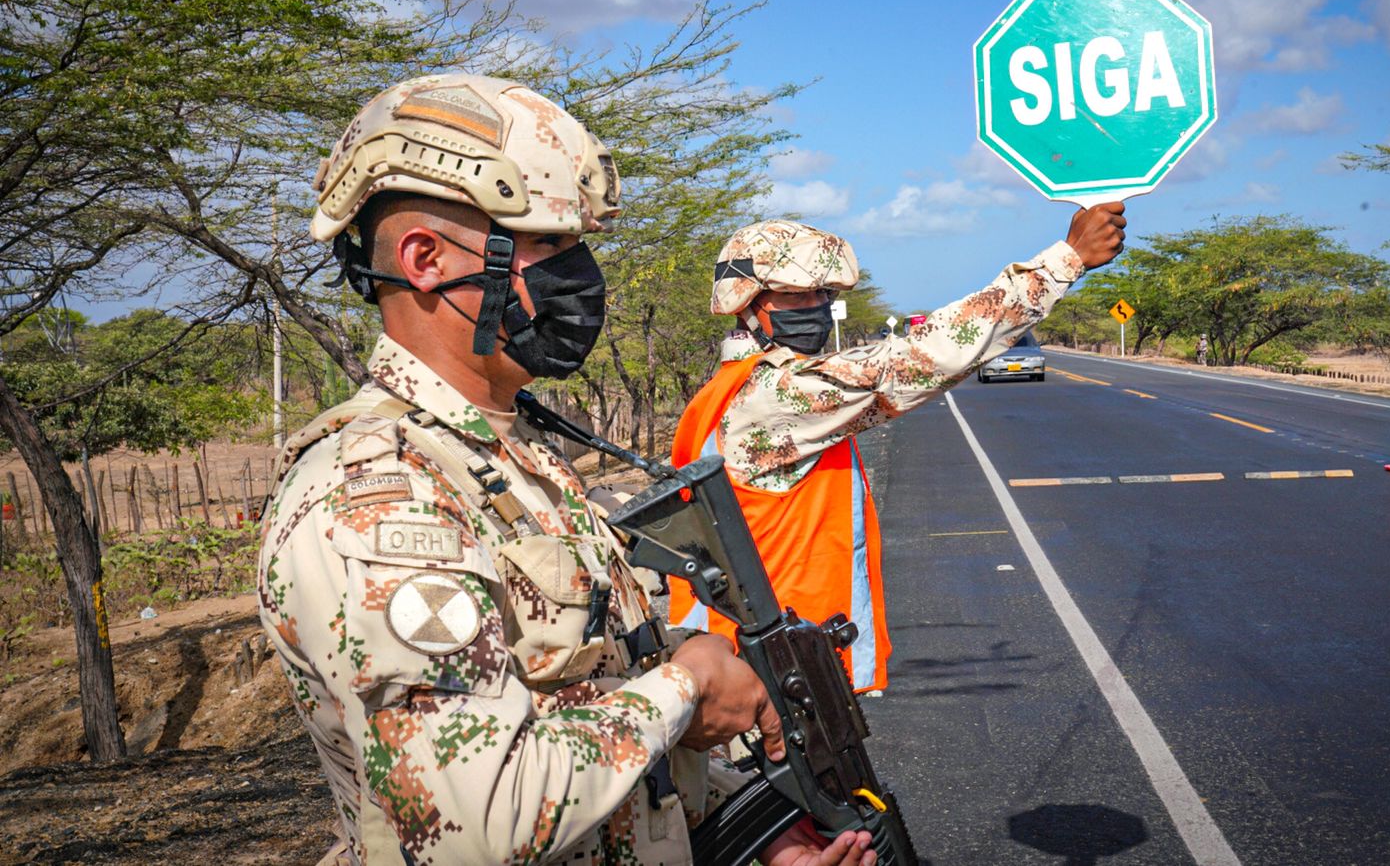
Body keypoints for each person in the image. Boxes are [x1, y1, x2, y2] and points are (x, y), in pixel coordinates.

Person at [257, 74, 873, 866]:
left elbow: (589, 704)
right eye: (549, 246)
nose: (580, 276)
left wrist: (745, 825)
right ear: (424, 259)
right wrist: (686, 690)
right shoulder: (377, 498)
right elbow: (479, 821)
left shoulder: (510, 459)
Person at [668, 207, 1127, 692]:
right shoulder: (773, 396)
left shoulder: (731, 389)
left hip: (754, 659)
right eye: (795, 295)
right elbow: (918, 360)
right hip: (763, 674)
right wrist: (1065, 261)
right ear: (748, 303)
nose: (816, 306)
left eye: (822, 294)